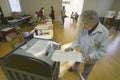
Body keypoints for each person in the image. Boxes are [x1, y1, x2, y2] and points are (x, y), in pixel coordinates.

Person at [64, 10, 109, 80]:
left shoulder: (104, 32)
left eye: (86, 24)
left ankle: (83, 77)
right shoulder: (84, 28)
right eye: (83, 24)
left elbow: (102, 50)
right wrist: (71, 47)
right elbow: (78, 40)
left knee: (87, 69)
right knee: (77, 61)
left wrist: (90, 56)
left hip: (92, 57)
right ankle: (74, 68)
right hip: (81, 52)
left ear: (94, 22)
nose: (84, 26)